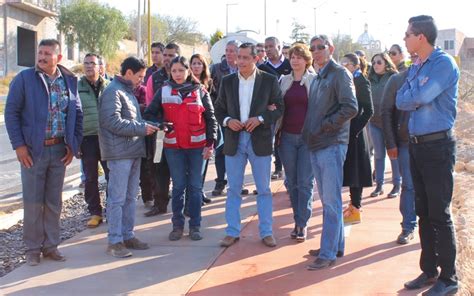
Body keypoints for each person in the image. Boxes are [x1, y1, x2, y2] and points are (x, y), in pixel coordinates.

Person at [5, 39, 83, 266]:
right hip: (33, 151)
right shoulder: (24, 79)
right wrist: (19, 146)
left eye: (47, 53)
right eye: (40, 52)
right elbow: (11, 114)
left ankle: (51, 246)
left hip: (59, 150)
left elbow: (77, 114)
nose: (41, 56)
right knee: (32, 201)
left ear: (58, 58)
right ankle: (32, 249)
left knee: (53, 202)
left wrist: (73, 146)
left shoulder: (69, 80)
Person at [397, 15, 460, 295]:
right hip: (417, 146)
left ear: (420, 37)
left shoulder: (443, 64)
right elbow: (401, 100)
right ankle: (429, 269)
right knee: (422, 211)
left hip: (437, 148)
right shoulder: (416, 65)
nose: (404, 39)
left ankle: (449, 278)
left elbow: (422, 97)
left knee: (439, 213)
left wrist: (415, 93)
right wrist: (415, 92)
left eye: (407, 34)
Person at [215, 43, 283, 248]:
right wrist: (227, 121)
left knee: (263, 189)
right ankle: (232, 231)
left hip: (259, 139)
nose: (241, 61)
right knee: (234, 188)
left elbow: (279, 107)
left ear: (256, 59)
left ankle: (266, 232)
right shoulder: (227, 82)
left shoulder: (268, 80)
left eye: (246, 58)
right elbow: (218, 109)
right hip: (234, 140)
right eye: (239, 57)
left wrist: (261, 118)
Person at [145, 56, 218, 241]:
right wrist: (160, 124)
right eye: (174, 71)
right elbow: (148, 114)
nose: (177, 74)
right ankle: (177, 226)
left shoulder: (201, 91)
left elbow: (211, 119)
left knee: (194, 187)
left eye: (181, 70)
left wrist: (210, 144)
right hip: (173, 147)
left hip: (197, 148)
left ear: (188, 71)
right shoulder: (164, 91)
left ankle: (195, 225)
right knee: (178, 187)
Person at [303, 35, 358, 270]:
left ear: (330, 49)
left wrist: (326, 125)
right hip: (317, 143)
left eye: (320, 47)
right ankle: (335, 246)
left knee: (332, 201)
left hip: (332, 143)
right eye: (313, 48)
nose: (316, 51)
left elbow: (351, 107)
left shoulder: (339, 73)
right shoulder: (318, 77)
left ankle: (327, 253)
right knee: (327, 200)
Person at [98, 56, 160, 258]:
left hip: (133, 151)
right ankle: (114, 240)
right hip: (119, 154)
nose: (142, 80)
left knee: (130, 197)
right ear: (129, 73)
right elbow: (112, 122)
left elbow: (134, 119)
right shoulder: (113, 92)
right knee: (117, 198)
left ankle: (127, 235)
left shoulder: (127, 91)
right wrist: (143, 128)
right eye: (140, 76)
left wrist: (152, 125)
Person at [275, 43, 316, 242]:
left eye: (299, 56)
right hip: (287, 138)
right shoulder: (283, 80)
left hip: (308, 138)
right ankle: (297, 218)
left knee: (305, 182)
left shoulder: (314, 80)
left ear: (306, 60)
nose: (295, 60)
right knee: (291, 182)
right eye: (292, 56)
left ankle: (302, 223)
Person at [382, 53, 419, 245]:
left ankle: (432, 228)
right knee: (409, 185)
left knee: (430, 187)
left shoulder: (435, 76)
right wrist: (391, 142)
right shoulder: (397, 80)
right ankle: (408, 226)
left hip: (432, 143)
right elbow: (386, 111)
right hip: (405, 142)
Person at [143, 42, 181, 217]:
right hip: (159, 133)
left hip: (182, 133)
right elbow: (150, 106)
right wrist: (159, 124)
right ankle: (160, 203)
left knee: (182, 168)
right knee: (158, 166)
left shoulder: (184, 79)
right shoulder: (154, 78)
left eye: (171, 56)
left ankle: (185, 203)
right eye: (165, 55)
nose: (167, 59)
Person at [340, 53, 374, 225]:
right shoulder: (349, 80)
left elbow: (368, 110)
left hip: (356, 134)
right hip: (348, 132)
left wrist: (355, 129)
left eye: (345, 63)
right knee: (351, 171)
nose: (342, 66)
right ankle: (353, 204)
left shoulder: (361, 82)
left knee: (356, 172)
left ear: (355, 65)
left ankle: (356, 208)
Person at [78, 53, 110, 228]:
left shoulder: (109, 87)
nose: (89, 66)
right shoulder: (77, 88)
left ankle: (112, 209)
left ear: (100, 67)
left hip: (107, 138)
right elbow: (72, 115)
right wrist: (74, 142)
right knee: (90, 178)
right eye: (86, 63)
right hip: (87, 138)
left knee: (111, 175)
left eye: (93, 63)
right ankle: (95, 213)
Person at [367, 53, 400, 198]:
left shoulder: (394, 78)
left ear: (386, 63)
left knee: (393, 154)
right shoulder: (370, 79)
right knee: (379, 155)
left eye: (379, 62)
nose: (375, 65)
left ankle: (396, 185)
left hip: (390, 123)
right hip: (374, 122)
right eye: (373, 62)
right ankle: (379, 186)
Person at [210, 40, 240, 196]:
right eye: (227, 50)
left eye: (232, 51)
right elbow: (211, 92)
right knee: (221, 149)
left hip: (241, 117)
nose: (229, 53)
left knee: (239, 150)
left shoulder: (244, 69)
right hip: (222, 116)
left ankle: (237, 182)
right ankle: (220, 181)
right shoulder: (216, 69)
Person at [188, 53, 215, 205]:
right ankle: (194, 194)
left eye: (199, 63)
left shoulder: (209, 83)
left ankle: (200, 191)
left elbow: (216, 103)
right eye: (194, 63)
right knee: (193, 166)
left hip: (208, 127)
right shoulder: (186, 82)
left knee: (204, 163)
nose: (197, 66)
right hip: (194, 128)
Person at [264, 37, 292, 180]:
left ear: (279, 47)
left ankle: (287, 175)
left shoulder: (290, 65)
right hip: (270, 112)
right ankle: (274, 170)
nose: (267, 49)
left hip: (289, 111)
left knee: (285, 142)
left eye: (271, 46)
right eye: (266, 47)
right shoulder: (261, 68)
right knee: (269, 142)